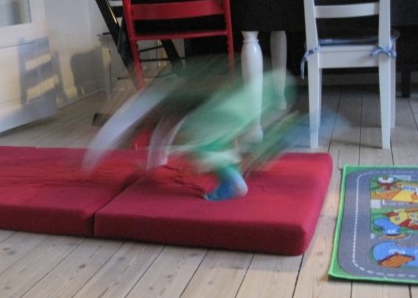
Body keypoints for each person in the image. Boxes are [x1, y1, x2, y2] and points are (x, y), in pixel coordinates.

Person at [84, 55, 299, 201]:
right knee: (217, 138)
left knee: (201, 143)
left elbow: (116, 127)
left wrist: (88, 163)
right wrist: (156, 163)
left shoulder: (148, 99)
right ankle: (273, 141)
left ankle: (232, 181)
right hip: (261, 88)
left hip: (226, 104)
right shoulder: (167, 97)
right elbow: (163, 131)